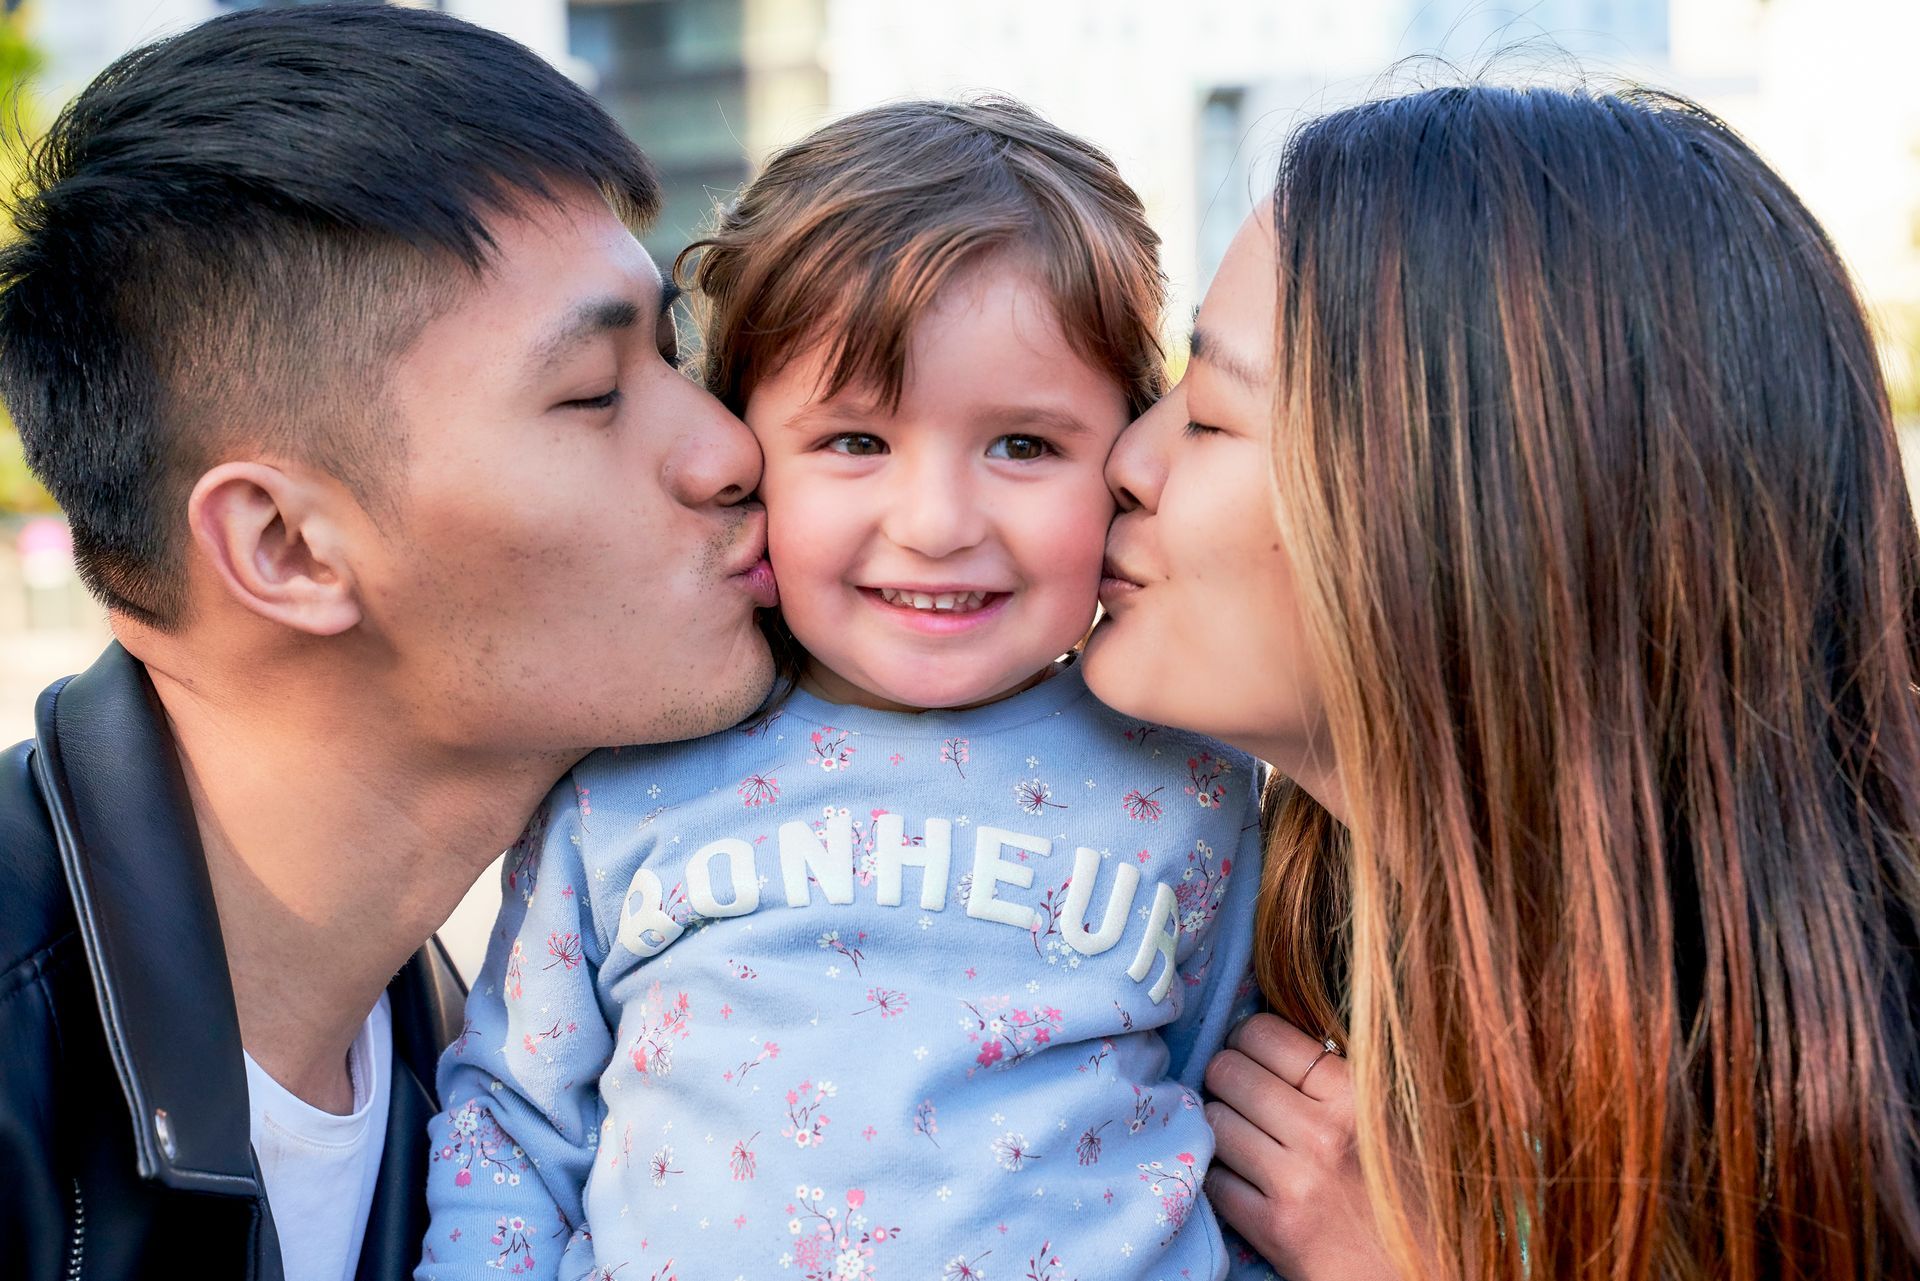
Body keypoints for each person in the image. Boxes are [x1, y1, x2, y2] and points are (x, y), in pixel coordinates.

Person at [416, 99, 1264, 1281]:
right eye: (856, 443)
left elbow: (1244, 1145)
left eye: (1023, 445)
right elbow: (514, 1128)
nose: (936, 526)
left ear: (1124, 454)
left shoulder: (1194, 783)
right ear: (742, 448)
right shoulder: (624, 777)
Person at [1084, 83, 1920, 1280]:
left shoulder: (1859, 1084)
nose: (1127, 460)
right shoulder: (1230, 947)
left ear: (1469, 517)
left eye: (1210, 418)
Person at [0, 6, 775, 1280]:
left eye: (674, 354)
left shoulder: (494, 1079)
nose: (726, 450)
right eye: (593, 396)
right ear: (287, 548)